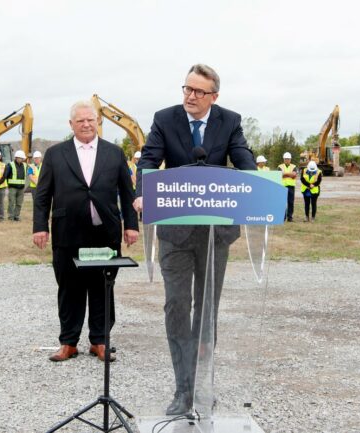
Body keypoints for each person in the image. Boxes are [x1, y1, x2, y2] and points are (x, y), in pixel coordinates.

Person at [133, 64, 256, 415]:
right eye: (186, 89)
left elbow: (243, 158)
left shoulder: (229, 121)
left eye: (198, 91)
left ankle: (203, 386)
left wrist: (259, 186)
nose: (189, 96)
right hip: (174, 231)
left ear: (214, 96)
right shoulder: (165, 118)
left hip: (215, 234)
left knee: (206, 310)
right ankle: (182, 390)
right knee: (176, 306)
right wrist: (143, 192)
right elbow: (148, 161)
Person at [33, 100, 139, 363]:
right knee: (69, 288)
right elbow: (43, 195)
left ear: (98, 122)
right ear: (71, 124)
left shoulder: (114, 153)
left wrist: (132, 225)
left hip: (105, 232)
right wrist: (39, 227)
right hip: (68, 233)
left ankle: (100, 341)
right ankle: (68, 342)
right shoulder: (56, 154)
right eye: (80, 120)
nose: (86, 124)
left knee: (103, 287)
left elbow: (127, 193)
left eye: (90, 120)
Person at [5, 150, 28, 221]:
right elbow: (5, 175)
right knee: (12, 202)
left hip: (21, 188)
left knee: (19, 203)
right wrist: (6, 186)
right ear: (17, 158)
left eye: (23, 158)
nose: (22, 160)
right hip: (12, 188)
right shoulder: (10, 165)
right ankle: (10, 217)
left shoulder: (25, 165)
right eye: (21, 158)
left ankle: (16, 216)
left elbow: (29, 173)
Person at [278, 152, 298, 222]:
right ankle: (282, 217)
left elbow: (294, 175)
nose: (287, 160)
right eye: (285, 159)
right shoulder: (280, 166)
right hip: (282, 186)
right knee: (282, 202)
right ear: (283, 159)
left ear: (290, 159)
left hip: (291, 187)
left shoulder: (294, 166)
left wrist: (285, 174)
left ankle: (290, 217)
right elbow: (280, 175)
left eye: (288, 159)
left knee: (290, 202)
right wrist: (290, 174)